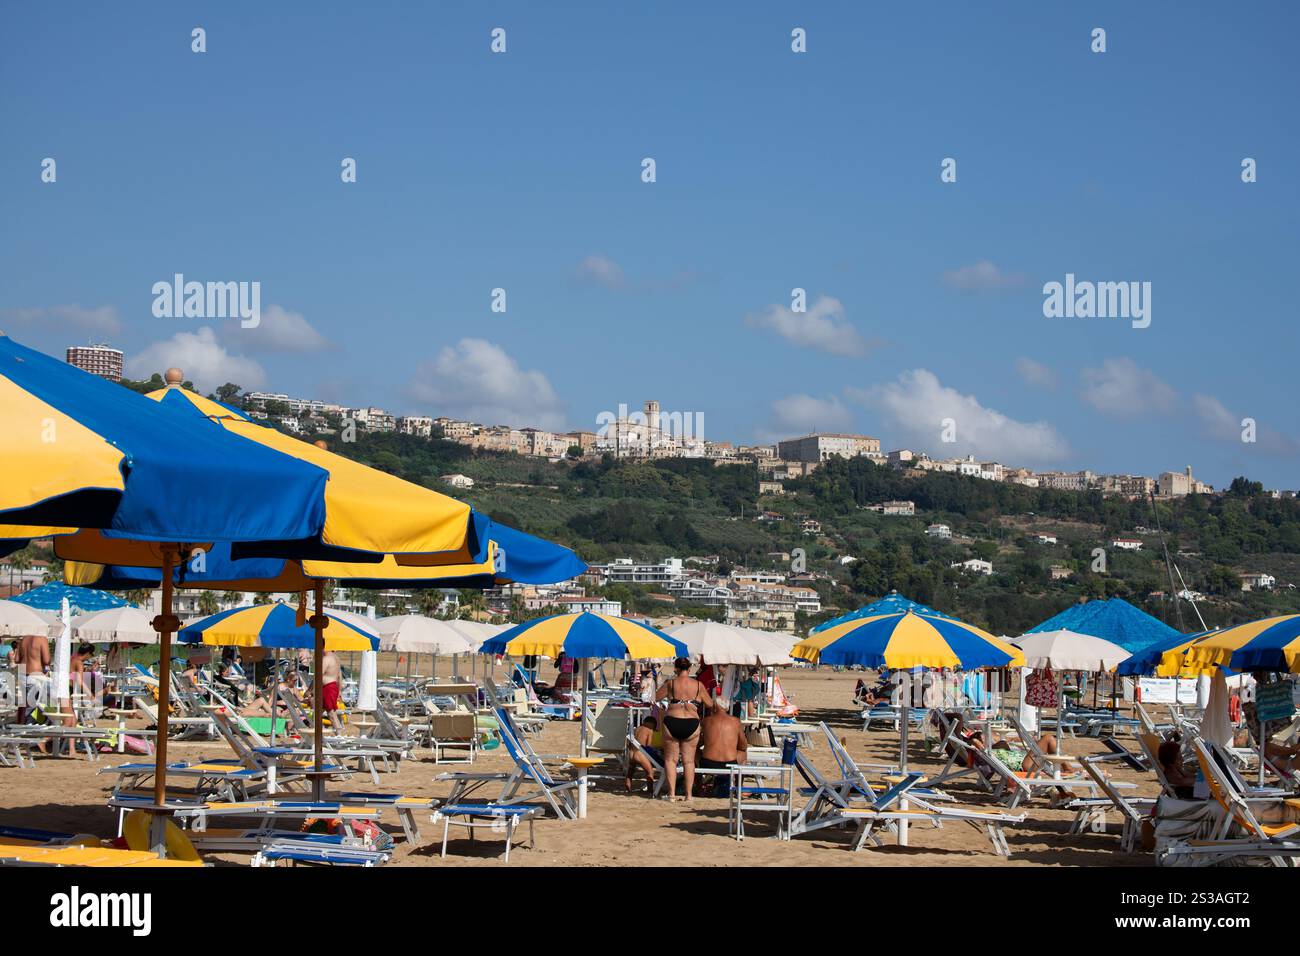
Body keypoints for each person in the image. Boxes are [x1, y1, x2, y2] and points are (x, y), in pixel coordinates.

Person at [655, 657, 714, 801]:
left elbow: (656, 697)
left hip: (672, 721)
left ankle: (672, 794)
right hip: (691, 722)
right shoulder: (698, 685)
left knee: (670, 760)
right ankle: (688, 795)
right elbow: (710, 704)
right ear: (690, 669)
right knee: (689, 761)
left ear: (676, 668)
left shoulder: (671, 683)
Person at [697, 699, 748, 797]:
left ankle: (700, 789)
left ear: (715, 706)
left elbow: (698, 744)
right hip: (730, 763)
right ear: (727, 708)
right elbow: (743, 746)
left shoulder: (706, 721)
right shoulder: (736, 722)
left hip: (707, 763)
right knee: (743, 753)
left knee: (694, 752)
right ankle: (738, 788)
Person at [14, 633, 50, 725]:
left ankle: (20, 725)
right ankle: (30, 726)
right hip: (35, 675)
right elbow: (47, 660)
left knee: (23, 704)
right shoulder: (42, 638)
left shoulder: (23, 639)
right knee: (38, 704)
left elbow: (17, 660)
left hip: (22, 674)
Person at [625, 710, 664, 794]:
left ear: (644, 722)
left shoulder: (637, 729)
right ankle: (650, 791)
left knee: (630, 772)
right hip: (640, 753)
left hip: (631, 753)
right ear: (653, 726)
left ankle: (628, 787)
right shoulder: (649, 731)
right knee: (650, 772)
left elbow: (629, 743)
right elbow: (648, 745)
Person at [319, 649, 342, 725]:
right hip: (333, 686)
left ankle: (339, 734)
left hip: (328, 687)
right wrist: (339, 690)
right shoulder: (336, 658)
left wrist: (310, 690)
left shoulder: (326, 659)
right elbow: (339, 676)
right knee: (319, 711)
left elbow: (318, 675)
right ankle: (313, 730)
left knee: (331, 713)